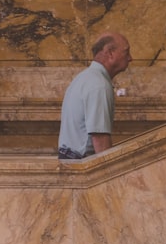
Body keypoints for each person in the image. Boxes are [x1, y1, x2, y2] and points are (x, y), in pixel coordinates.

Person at [57, 32, 133, 160]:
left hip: (70, 159)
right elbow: (99, 138)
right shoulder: (99, 85)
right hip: (83, 164)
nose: (131, 58)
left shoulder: (84, 78)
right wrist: (110, 173)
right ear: (110, 53)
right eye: (126, 52)